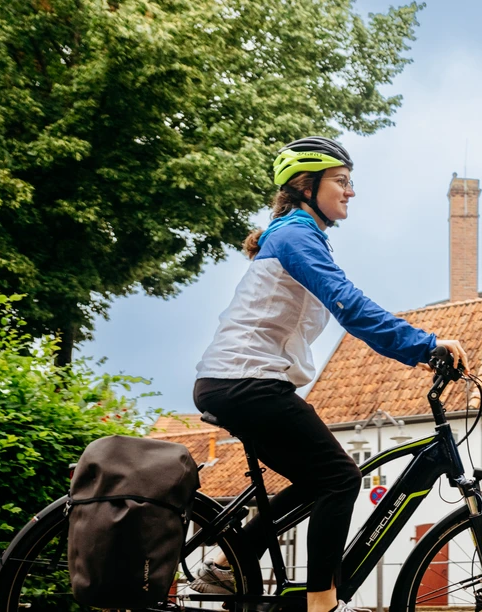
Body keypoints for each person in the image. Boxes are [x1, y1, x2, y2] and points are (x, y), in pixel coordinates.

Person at [186, 136, 466, 612]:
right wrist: (424, 344)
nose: (351, 191)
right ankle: (323, 605)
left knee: (322, 480)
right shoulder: (295, 235)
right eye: (341, 181)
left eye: (350, 181)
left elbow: (347, 308)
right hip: (245, 381)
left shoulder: (298, 235)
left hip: (242, 381)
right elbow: (348, 304)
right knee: (340, 478)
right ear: (305, 185)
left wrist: (416, 350)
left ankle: (228, 565)